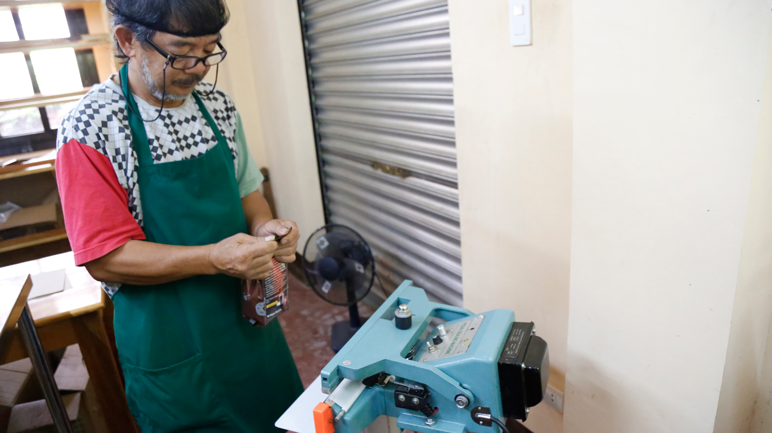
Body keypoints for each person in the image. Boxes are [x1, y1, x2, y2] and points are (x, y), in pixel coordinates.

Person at [54, 0, 304, 431]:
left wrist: (265, 227)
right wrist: (212, 258)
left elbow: (248, 192)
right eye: (181, 52)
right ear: (128, 41)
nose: (198, 67)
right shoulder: (91, 127)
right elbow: (105, 258)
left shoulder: (218, 106)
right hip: (169, 341)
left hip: (248, 327)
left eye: (209, 50)